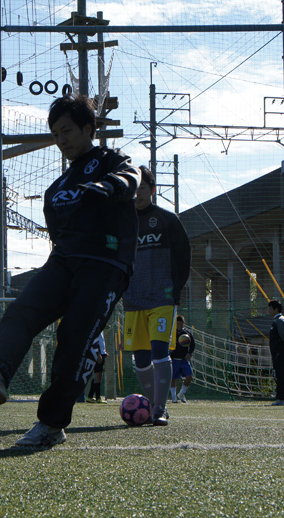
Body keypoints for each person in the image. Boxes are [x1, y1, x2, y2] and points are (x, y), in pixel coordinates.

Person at [0, 95, 141, 447]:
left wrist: (107, 186)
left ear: (88, 129)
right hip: (63, 261)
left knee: (74, 339)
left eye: (67, 131)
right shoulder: (56, 189)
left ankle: (51, 425)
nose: (61, 140)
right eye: (55, 134)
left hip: (105, 265)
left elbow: (131, 177)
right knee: (22, 310)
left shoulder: (111, 161)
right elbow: (57, 233)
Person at [122, 165, 191, 425]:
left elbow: (184, 256)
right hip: (133, 300)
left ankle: (160, 409)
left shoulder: (167, 219)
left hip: (162, 298)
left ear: (152, 190)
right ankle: (151, 405)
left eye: (142, 187)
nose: (137, 193)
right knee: (140, 358)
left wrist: (175, 288)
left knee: (160, 350)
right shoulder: (123, 223)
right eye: (133, 188)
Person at [268, 300, 284, 406]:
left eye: (270, 308)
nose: (269, 311)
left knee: (280, 375)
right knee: (282, 375)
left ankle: (282, 398)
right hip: (278, 352)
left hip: (280, 352)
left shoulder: (280, 320)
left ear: (276, 309)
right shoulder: (277, 320)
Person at [170, 314, 195, 403]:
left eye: (181, 323)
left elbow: (192, 345)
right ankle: (174, 398)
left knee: (189, 377)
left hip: (183, 360)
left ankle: (181, 394)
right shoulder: (172, 334)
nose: (179, 325)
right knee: (173, 378)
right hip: (174, 359)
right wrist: (169, 351)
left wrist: (189, 354)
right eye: (177, 324)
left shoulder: (187, 333)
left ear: (183, 323)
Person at [85, 333, 108, 403]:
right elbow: (94, 340)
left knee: (98, 375)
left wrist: (103, 352)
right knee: (98, 374)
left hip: (101, 352)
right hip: (98, 352)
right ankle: (97, 397)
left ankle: (90, 396)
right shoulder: (96, 328)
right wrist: (98, 354)